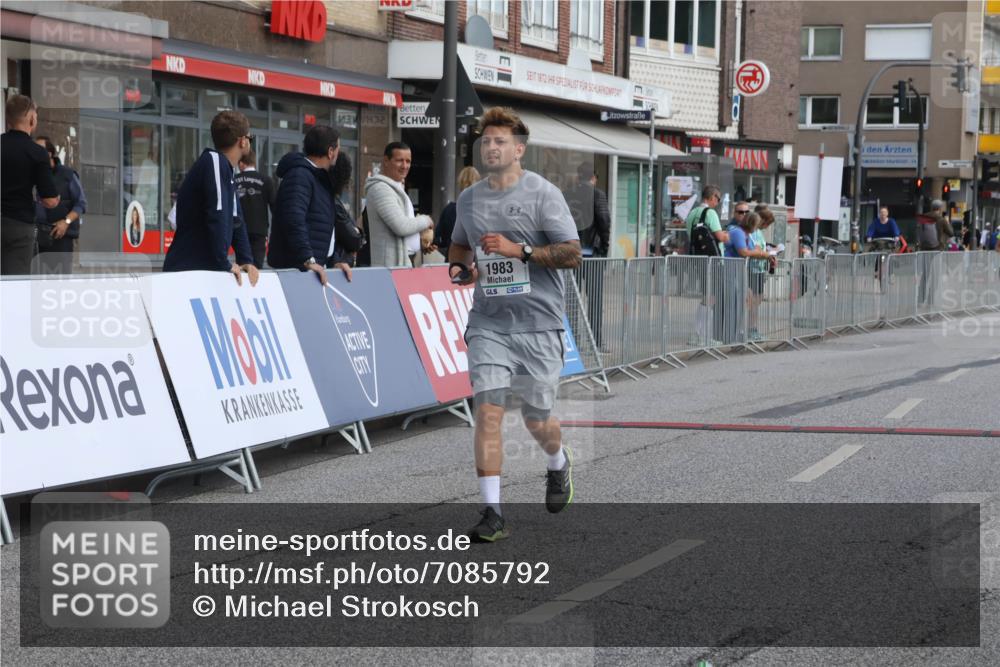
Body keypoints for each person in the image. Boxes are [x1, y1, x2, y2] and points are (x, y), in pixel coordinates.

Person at [448, 107, 581, 542]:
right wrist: (461, 270)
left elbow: (571, 253)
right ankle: (492, 512)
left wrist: (519, 251)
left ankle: (558, 462)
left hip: (539, 323)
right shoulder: (468, 199)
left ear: (519, 149)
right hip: (489, 322)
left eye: (500, 141)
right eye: (486, 140)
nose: (491, 147)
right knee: (487, 411)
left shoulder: (543, 194)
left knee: (536, 417)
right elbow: (459, 248)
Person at [162, 110, 257, 286]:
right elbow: (218, 214)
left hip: (202, 270)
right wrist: (224, 263)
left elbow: (236, 220)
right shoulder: (214, 161)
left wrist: (246, 259)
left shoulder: (227, 171)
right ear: (242, 141)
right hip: (187, 270)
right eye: (250, 138)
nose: (250, 142)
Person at [267, 125, 352, 284]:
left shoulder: (319, 179)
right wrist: (308, 259)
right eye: (338, 149)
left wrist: (333, 260)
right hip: (297, 272)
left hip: (312, 269)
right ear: (330, 151)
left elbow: (321, 228)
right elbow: (293, 219)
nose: (338, 154)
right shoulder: (300, 176)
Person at [1, 94, 59, 275]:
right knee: (15, 283)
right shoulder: (37, 153)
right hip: (19, 226)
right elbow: (50, 200)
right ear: (32, 119)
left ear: (8, 119)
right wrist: (56, 198)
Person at [564, 161, 612, 348]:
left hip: (571, 254)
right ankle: (596, 342)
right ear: (594, 177)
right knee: (594, 299)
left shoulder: (567, 194)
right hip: (592, 254)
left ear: (578, 176)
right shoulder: (597, 194)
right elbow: (604, 223)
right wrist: (605, 249)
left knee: (571, 300)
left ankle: (573, 341)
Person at [364, 142, 434, 268]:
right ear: (386, 161)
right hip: (389, 269)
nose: (405, 166)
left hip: (403, 264)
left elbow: (402, 229)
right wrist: (426, 220)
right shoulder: (380, 189)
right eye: (400, 161)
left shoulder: (396, 188)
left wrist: (420, 242)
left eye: (408, 161)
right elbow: (401, 226)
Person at [33, 136, 87, 274]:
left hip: (60, 236)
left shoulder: (67, 175)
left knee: (59, 282)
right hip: (36, 238)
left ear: (49, 153)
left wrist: (66, 222)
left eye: (39, 150)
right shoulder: (31, 175)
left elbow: (81, 203)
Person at [684, 185, 729, 346]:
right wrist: (726, 235)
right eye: (717, 198)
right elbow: (719, 236)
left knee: (707, 295)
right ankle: (700, 334)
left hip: (699, 259)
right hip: (713, 260)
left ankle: (697, 334)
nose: (717, 202)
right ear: (711, 197)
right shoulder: (710, 213)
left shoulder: (692, 213)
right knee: (711, 297)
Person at [234, 148, 275, 269]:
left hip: (239, 229)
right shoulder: (266, 180)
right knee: (257, 265)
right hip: (259, 230)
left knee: (242, 264)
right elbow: (274, 206)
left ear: (241, 163)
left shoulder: (234, 180)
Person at [328, 151, 364, 268]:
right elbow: (354, 239)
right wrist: (358, 233)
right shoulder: (334, 204)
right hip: (337, 265)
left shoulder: (333, 200)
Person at [434, 165, 481, 257]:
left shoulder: (449, 209)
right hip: (477, 261)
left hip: (453, 261)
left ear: (460, 184)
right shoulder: (484, 211)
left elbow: (439, 240)